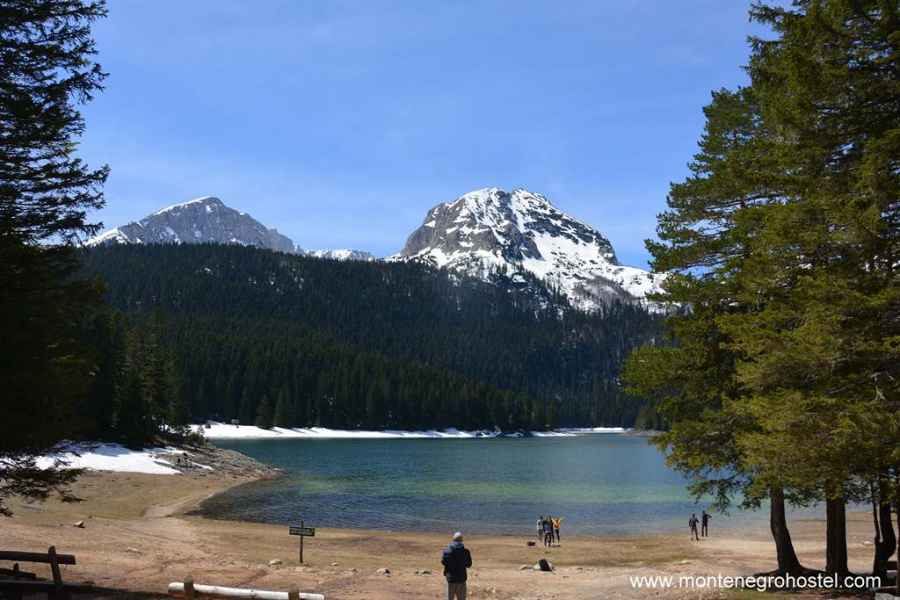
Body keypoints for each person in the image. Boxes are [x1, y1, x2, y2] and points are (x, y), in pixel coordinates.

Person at [442, 531, 472, 600]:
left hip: (451, 579)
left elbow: (443, 562)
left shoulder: (447, 551)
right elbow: (469, 565)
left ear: (453, 540)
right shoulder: (466, 552)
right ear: (462, 540)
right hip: (461, 579)